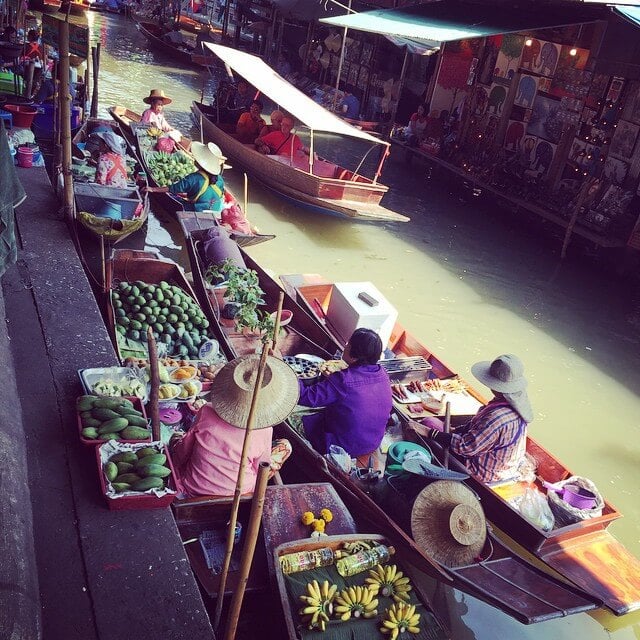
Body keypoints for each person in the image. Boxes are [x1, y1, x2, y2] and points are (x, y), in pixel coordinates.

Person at [169, 354, 299, 498]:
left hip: (193, 490)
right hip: (239, 495)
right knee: (285, 446)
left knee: (177, 437)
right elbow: (260, 467)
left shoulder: (206, 411)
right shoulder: (265, 429)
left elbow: (183, 453)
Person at [420, 354, 533, 484]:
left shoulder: (497, 417)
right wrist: (455, 430)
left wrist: (428, 432)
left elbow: (466, 448)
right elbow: (476, 428)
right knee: (435, 426)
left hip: (484, 472)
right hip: (502, 465)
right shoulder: (514, 404)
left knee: (428, 423)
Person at [297, 328, 392, 465]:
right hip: (372, 441)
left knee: (294, 413)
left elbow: (305, 397)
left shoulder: (343, 380)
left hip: (343, 446)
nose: (345, 346)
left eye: (349, 344)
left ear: (355, 354)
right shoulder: (382, 373)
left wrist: (290, 372)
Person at [146, 141, 230, 213]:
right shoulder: (220, 179)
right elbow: (213, 194)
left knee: (172, 197)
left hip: (199, 211)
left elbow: (173, 188)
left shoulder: (193, 178)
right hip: (216, 210)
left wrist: (153, 189)